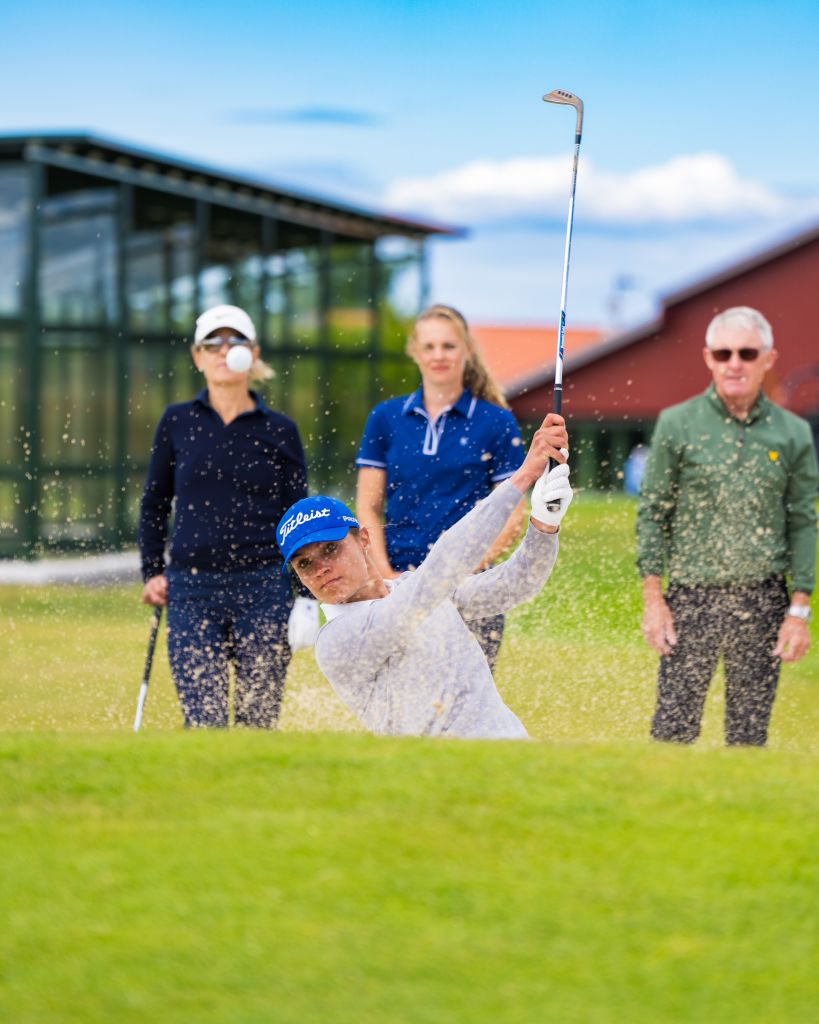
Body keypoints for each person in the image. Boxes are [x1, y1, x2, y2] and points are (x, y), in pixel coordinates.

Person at [276, 414, 572, 739]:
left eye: (330, 550)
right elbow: (437, 575)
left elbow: (517, 584)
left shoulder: (415, 591)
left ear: (363, 540)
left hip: (513, 749)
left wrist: (544, 522)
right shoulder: (336, 641)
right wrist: (524, 475)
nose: (320, 569)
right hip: (440, 776)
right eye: (304, 564)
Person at [637, 306, 818, 746]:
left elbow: (804, 521)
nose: (734, 363)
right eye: (723, 353)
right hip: (690, 599)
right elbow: (653, 512)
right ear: (708, 358)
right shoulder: (677, 424)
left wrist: (798, 611)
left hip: (763, 599)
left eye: (747, 352)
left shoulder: (793, 433)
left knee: (748, 735)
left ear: (768, 359)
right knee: (672, 732)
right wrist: (654, 600)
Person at [139, 304, 308, 728]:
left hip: (265, 588)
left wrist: (303, 591)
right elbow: (155, 502)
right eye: (213, 343)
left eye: (234, 342)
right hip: (192, 590)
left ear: (252, 354)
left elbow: (296, 515)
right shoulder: (177, 421)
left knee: (257, 719)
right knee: (203, 721)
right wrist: (152, 571)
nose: (223, 351)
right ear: (198, 356)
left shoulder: (280, 429)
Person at [356, 304, 526, 671]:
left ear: (466, 351)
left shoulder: (497, 422)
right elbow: (368, 508)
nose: (438, 355)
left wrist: (462, 573)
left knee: (467, 707)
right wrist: (386, 576)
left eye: (448, 346)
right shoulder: (385, 418)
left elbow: (512, 511)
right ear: (414, 352)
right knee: (401, 704)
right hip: (400, 583)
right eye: (429, 346)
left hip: (471, 589)